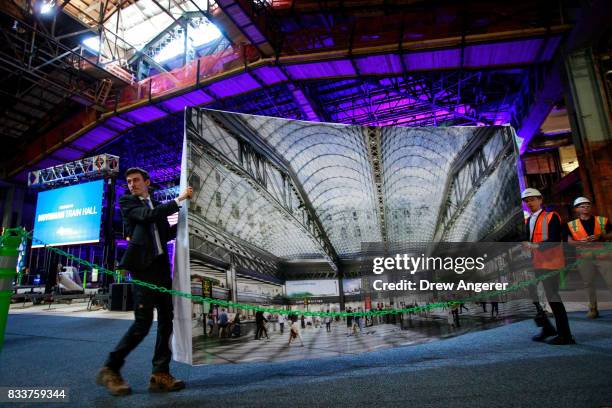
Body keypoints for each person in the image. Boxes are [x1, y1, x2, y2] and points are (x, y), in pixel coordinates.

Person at [97, 167, 192, 395]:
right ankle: (111, 368)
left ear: (147, 182)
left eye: (136, 180)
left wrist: (189, 220)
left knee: (167, 320)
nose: (132, 184)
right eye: (129, 181)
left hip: (160, 269)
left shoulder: (152, 205)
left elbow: (166, 234)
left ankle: (160, 373)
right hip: (142, 270)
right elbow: (148, 217)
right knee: (143, 322)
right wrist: (179, 200)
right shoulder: (128, 202)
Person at [521, 188, 574, 345]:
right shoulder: (528, 220)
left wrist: (534, 246)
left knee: (553, 297)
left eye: (532, 199)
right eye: (526, 201)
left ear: (540, 200)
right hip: (536, 263)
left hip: (551, 262)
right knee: (532, 295)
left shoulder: (552, 216)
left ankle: (566, 335)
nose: (529, 203)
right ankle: (547, 327)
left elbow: (554, 239)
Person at [565, 197, 612, 318]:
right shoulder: (571, 225)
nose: (585, 207)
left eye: (587, 205)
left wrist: (601, 236)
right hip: (584, 257)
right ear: (576, 209)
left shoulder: (602, 220)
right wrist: (580, 242)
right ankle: (593, 309)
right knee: (588, 283)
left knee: (610, 281)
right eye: (582, 206)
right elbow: (569, 241)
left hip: (603, 255)